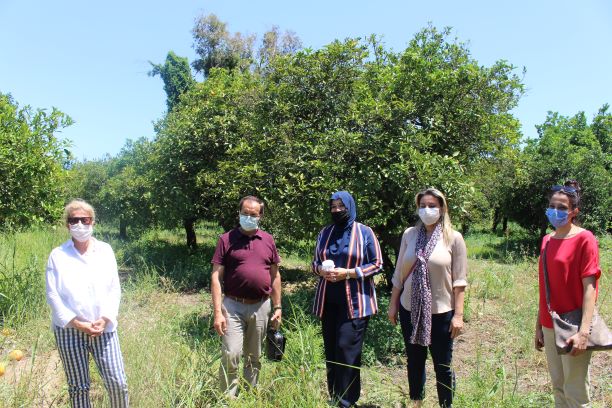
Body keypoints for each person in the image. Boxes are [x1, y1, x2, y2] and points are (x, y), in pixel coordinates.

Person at [388, 188, 467, 408]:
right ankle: (417, 403)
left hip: (441, 312)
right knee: (414, 361)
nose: (427, 210)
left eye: (432, 205)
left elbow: (459, 282)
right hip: (409, 309)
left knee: (442, 364)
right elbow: (399, 274)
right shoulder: (409, 235)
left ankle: (445, 405)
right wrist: (393, 304)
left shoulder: (453, 238)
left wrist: (458, 316)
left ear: (442, 208)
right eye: (423, 205)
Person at [45, 199, 129, 408]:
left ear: (93, 222)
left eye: (85, 219)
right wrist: (77, 323)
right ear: (67, 225)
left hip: (104, 328)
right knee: (79, 387)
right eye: (74, 220)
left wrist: (105, 318)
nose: (80, 225)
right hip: (70, 330)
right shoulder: (58, 255)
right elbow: (52, 294)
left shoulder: (105, 251)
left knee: (117, 382)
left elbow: (114, 288)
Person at [312, 191, 383, 408]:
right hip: (329, 302)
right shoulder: (325, 233)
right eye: (332, 207)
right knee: (332, 351)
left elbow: (377, 263)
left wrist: (349, 273)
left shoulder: (364, 232)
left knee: (346, 350)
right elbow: (314, 263)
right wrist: (321, 271)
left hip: (355, 304)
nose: (336, 211)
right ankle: (334, 397)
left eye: (340, 206)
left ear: (350, 207)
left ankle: (347, 401)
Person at [534, 181, 601, 407]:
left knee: (575, 391)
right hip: (549, 324)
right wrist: (539, 326)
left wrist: (584, 332)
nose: (556, 211)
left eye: (562, 207)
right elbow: (545, 287)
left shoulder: (585, 239)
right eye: (552, 205)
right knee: (558, 387)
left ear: (574, 212)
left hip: (573, 325)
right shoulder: (546, 240)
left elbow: (590, 288)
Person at [211, 195, 282, 396]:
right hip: (233, 306)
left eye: (253, 214)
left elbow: (275, 275)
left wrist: (278, 307)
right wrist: (218, 312)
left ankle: (250, 395)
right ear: (239, 213)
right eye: (245, 213)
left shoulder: (268, 240)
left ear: (260, 216)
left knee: (254, 356)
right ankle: (228, 399)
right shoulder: (226, 239)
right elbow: (216, 277)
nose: (248, 217)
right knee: (231, 353)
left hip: (261, 306)